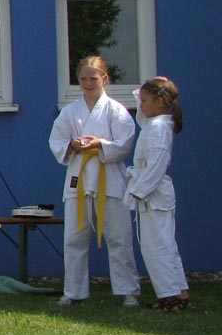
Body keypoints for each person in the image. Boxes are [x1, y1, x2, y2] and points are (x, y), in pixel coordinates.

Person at [47, 54, 139, 307]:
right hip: (78, 178)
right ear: (78, 80)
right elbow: (56, 141)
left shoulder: (116, 110)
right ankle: (73, 291)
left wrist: (100, 144)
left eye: (93, 79)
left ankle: (128, 290)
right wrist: (72, 145)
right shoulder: (70, 112)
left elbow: (125, 144)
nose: (88, 84)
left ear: (104, 79)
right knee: (74, 238)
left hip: (109, 179)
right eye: (83, 79)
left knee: (119, 237)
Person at [124, 77, 190, 311]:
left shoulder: (159, 128)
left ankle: (169, 297)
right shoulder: (154, 123)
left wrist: (139, 192)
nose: (140, 106)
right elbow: (143, 110)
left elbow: (157, 164)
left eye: (144, 101)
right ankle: (179, 294)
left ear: (159, 102)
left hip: (153, 194)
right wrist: (150, 85)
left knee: (156, 247)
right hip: (152, 193)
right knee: (165, 245)